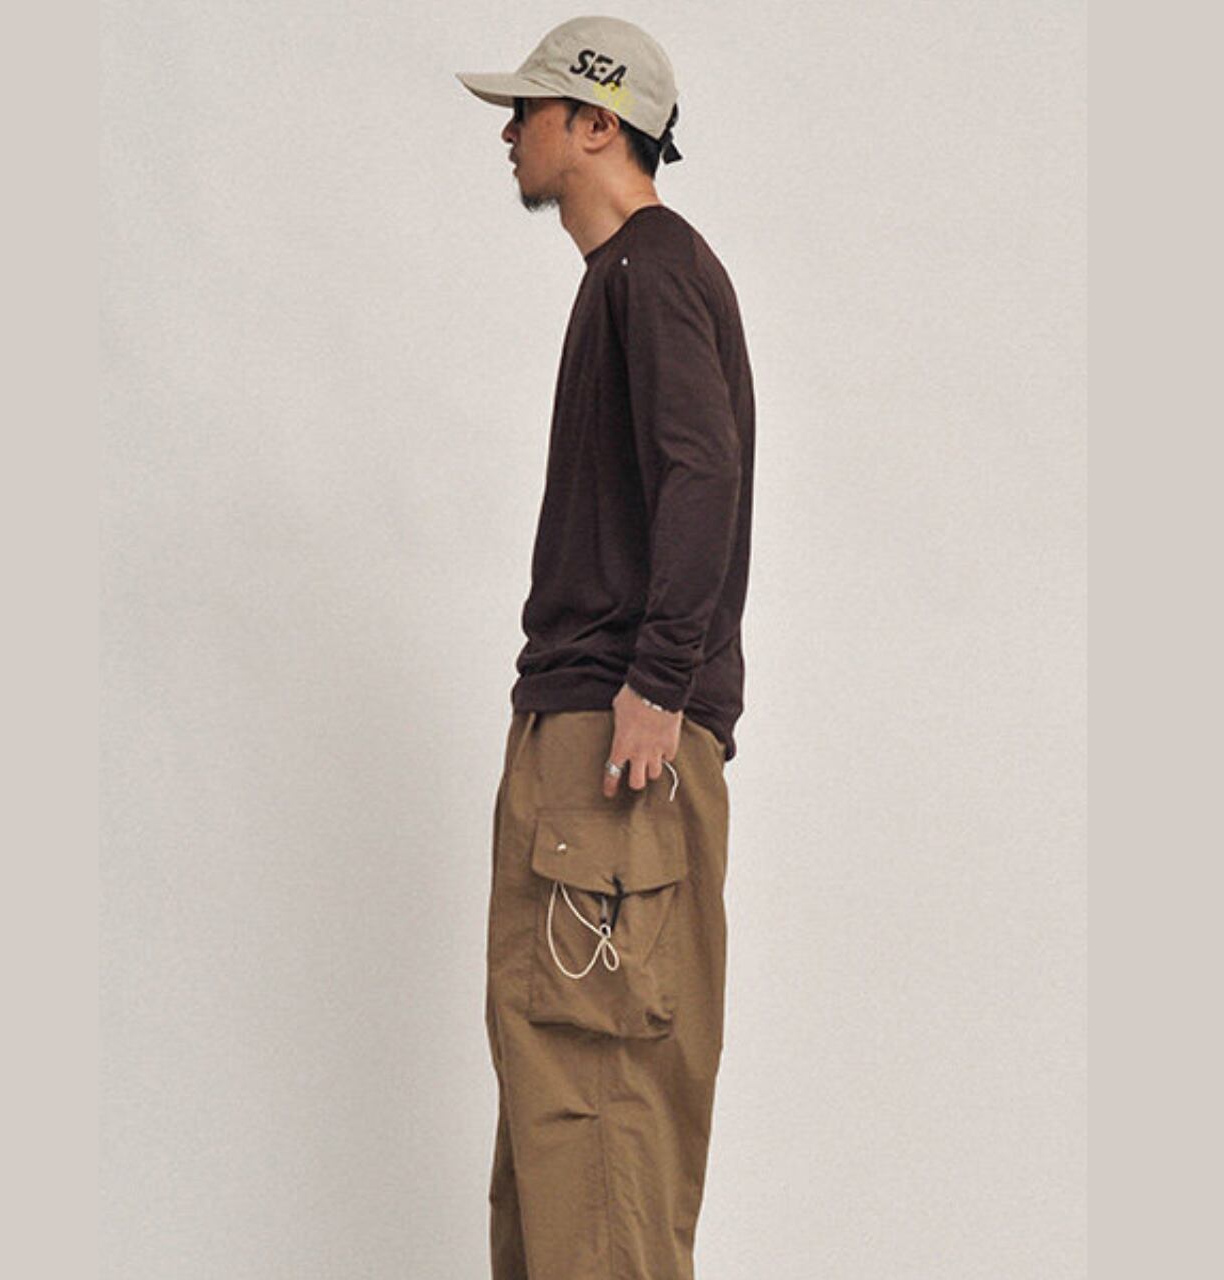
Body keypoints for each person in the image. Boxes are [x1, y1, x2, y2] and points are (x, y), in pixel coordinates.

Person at [456, 15, 756, 1279]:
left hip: (612, 750)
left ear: (595, 121)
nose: (506, 134)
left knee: (599, 1132)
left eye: (524, 110)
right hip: (584, 743)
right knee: (553, 1143)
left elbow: (703, 470)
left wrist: (652, 679)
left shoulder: (653, 267)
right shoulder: (625, 277)